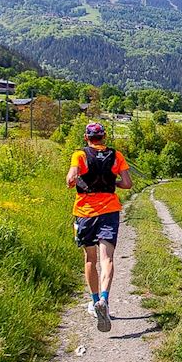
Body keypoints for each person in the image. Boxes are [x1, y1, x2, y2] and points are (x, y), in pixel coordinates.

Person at [66, 121, 131, 332]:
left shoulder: (80, 155)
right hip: (110, 210)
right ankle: (104, 298)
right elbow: (128, 184)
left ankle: (94, 301)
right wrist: (112, 184)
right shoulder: (116, 155)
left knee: (90, 259)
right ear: (103, 137)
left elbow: (71, 179)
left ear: (87, 138)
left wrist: (73, 180)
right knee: (107, 259)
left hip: (85, 213)